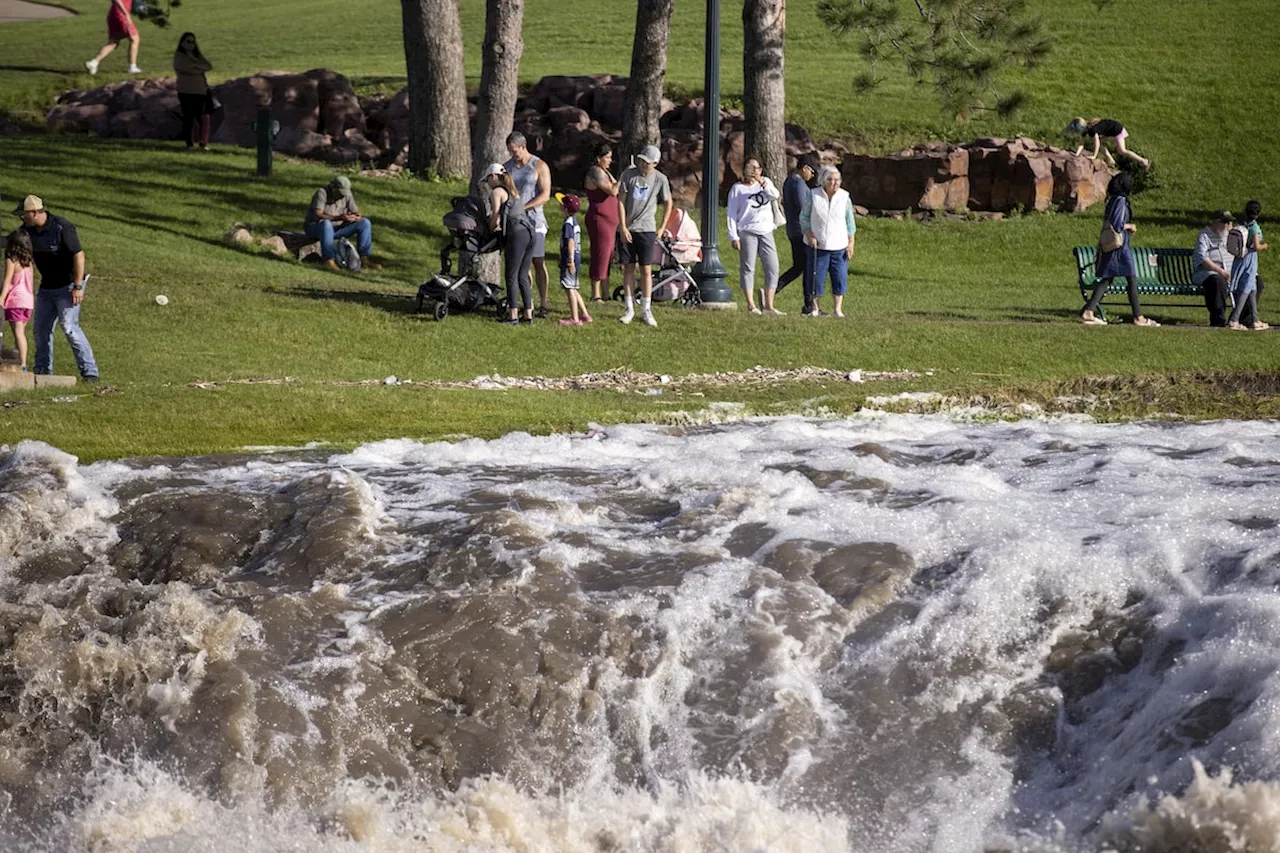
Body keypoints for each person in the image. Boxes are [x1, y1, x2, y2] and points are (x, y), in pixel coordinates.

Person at [13, 196, 99, 381]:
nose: (22, 219)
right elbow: (12, 243)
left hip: (68, 285)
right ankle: (43, 370)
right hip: (47, 286)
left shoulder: (61, 227)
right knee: (41, 330)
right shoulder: (27, 230)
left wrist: (77, 286)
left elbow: (79, 255)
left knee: (69, 327)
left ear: (34, 212)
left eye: (24, 215)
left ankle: (90, 372)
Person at [1080, 173, 1158, 326]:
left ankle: (1089, 310)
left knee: (1108, 279)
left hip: (1113, 247)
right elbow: (1117, 224)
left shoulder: (1112, 200)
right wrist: (1130, 226)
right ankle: (1138, 317)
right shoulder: (1121, 201)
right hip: (1120, 247)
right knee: (1131, 279)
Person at [618, 145, 673, 328]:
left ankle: (646, 309)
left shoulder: (660, 179)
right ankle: (628, 308)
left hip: (647, 229)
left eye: (647, 162)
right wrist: (623, 226)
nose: (643, 164)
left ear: (655, 163)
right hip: (629, 227)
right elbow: (621, 201)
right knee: (628, 268)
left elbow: (668, 202)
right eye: (642, 161)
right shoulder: (629, 175)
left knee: (646, 270)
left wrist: (662, 226)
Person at [504, 132, 553, 317]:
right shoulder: (507, 167)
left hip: (534, 220)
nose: (512, 154)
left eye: (514, 151)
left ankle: (544, 302)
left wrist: (523, 208)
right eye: (510, 151)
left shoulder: (539, 166)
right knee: (521, 264)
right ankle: (528, 303)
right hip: (515, 223)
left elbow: (545, 194)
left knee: (537, 261)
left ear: (523, 147)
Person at [727, 156, 783, 314]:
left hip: (766, 230)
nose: (753, 171)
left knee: (772, 267)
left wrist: (762, 182)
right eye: (750, 168)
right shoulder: (737, 189)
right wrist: (734, 236)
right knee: (748, 267)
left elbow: (775, 195)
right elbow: (731, 213)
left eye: (756, 168)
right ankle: (751, 304)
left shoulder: (766, 183)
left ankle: (769, 305)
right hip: (747, 230)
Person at [798, 166, 856, 318]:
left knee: (839, 277)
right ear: (823, 181)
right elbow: (803, 217)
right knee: (816, 277)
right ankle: (815, 308)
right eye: (830, 179)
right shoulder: (814, 195)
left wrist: (851, 243)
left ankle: (837, 309)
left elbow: (850, 222)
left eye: (837, 180)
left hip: (839, 244)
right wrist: (809, 235)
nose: (834, 183)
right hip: (818, 245)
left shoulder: (844, 197)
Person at [1192, 210, 1263, 329]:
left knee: (1256, 281)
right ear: (1214, 223)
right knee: (1217, 281)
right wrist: (1221, 271)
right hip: (1209, 272)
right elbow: (1202, 258)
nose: (1228, 225)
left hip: (1233, 271)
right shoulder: (1205, 235)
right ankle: (1218, 319)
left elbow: (1245, 252)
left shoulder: (1235, 234)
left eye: (1230, 222)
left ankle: (1243, 318)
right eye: (1224, 222)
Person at [482, 163, 533, 325]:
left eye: (487, 180)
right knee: (523, 275)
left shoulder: (497, 192)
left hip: (516, 234)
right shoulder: (513, 191)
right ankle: (528, 315)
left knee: (511, 275)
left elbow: (495, 219)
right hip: (530, 232)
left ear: (493, 177)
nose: (488, 184)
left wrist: (487, 226)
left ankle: (512, 316)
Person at [304, 176, 381, 273]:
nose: (342, 196)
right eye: (340, 193)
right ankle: (329, 260)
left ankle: (364, 259)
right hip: (317, 227)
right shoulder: (322, 193)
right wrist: (339, 217)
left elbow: (356, 211)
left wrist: (356, 217)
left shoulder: (347, 195)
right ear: (333, 188)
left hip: (338, 228)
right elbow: (318, 214)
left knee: (365, 223)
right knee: (326, 224)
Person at [777, 153, 820, 314]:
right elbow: (805, 209)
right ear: (805, 168)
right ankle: (809, 305)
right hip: (801, 232)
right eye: (812, 172)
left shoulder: (789, 181)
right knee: (807, 267)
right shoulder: (799, 184)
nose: (813, 176)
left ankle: (773, 289)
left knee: (799, 266)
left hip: (792, 230)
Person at [583, 142, 621, 304]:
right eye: (607, 157)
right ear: (599, 158)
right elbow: (612, 190)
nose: (610, 160)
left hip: (610, 221)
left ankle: (606, 294)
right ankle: (595, 294)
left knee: (608, 256)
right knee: (600, 254)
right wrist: (624, 176)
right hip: (599, 219)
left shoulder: (606, 172)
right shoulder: (595, 172)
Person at [1227, 200, 1269, 330]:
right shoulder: (1254, 227)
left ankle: (1255, 319)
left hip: (1240, 257)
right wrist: (1264, 246)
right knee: (1246, 288)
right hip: (1250, 258)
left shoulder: (1243, 223)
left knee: (1252, 287)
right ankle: (1234, 319)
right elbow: (1256, 245)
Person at [1, 230, 36, 372]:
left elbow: (7, 280)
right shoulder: (29, 262)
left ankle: (22, 364)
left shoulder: (12, 260)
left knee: (19, 332)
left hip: (16, 301)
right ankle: (19, 359)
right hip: (28, 301)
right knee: (20, 332)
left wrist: (2, 298)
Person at [173, 32, 213, 152]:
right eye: (188, 42)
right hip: (186, 91)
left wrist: (195, 66)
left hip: (201, 91)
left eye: (193, 42)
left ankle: (203, 143)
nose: (191, 45)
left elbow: (208, 66)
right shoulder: (179, 56)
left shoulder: (197, 55)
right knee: (188, 118)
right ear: (182, 43)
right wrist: (197, 67)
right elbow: (184, 68)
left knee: (202, 118)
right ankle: (189, 143)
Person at [556, 193, 592, 326]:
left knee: (569, 288)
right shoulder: (575, 221)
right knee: (574, 287)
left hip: (570, 258)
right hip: (576, 257)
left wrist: (570, 260)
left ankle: (574, 318)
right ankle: (585, 314)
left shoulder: (568, 224)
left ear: (565, 208)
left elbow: (570, 242)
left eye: (561, 203)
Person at [1065, 117, 1150, 170]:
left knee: (1122, 151)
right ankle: (1110, 160)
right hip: (1109, 130)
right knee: (1096, 144)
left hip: (1117, 130)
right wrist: (1077, 154)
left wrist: (1094, 156)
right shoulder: (1086, 129)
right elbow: (1081, 143)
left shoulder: (1092, 130)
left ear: (1081, 128)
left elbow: (1097, 143)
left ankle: (1143, 161)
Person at [85, 0, 141, 76]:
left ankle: (94, 63)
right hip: (121, 15)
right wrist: (126, 13)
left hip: (114, 15)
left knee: (114, 42)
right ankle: (132, 67)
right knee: (135, 39)